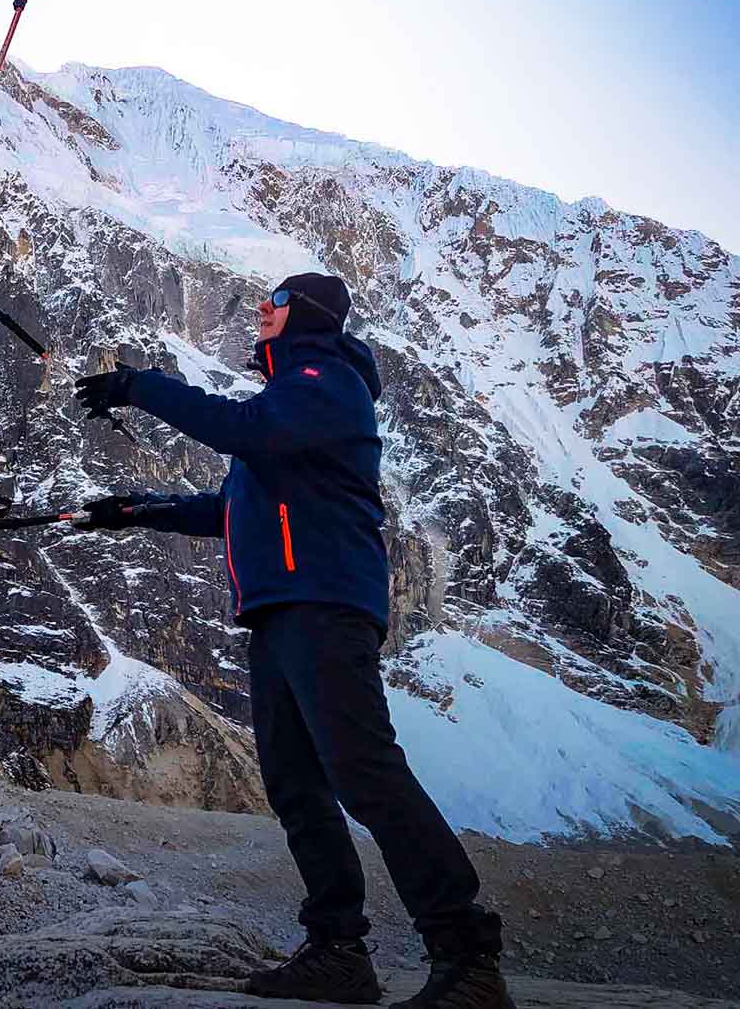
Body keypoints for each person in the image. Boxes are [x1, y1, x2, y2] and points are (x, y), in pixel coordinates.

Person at [72, 273, 513, 1008]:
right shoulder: (293, 399)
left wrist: (140, 385)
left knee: (364, 772)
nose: (259, 311)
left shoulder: (324, 379)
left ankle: (466, 954)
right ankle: (337, 949)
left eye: (271, 302)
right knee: (297, 785)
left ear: (302, 314)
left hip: (324, 601)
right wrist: (139, 510)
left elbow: (244, 433)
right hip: (281, 610)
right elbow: (235, 506)